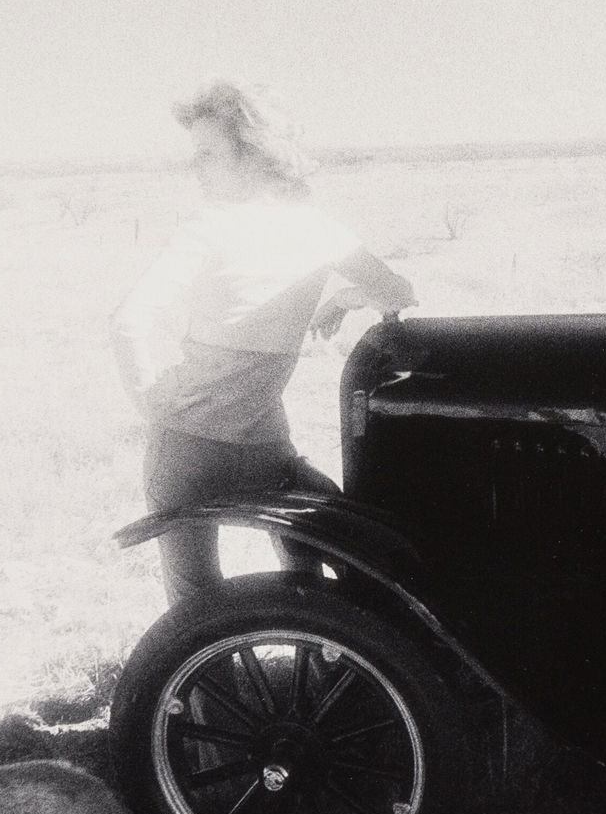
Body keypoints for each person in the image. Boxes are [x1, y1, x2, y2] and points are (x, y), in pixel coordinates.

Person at [112, 80, 416, 605]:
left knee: (193, 588)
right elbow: (398, 290)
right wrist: (345, 299)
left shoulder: (208, 228)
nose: (196, 167)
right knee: (317, 547)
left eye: (208, 153)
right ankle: (330, 652)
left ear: (255, 156)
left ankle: (199, 679)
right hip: (263, 449)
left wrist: (150, 404)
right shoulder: (321, 231)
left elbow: (128, 322)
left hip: (190, 449)